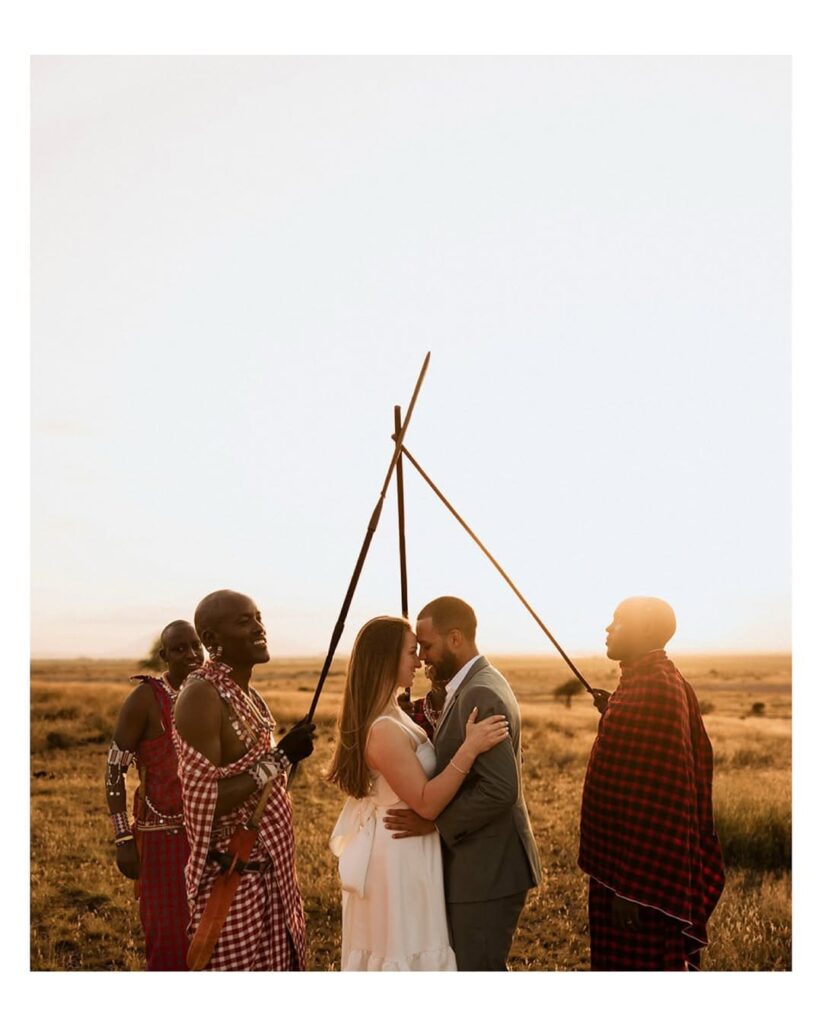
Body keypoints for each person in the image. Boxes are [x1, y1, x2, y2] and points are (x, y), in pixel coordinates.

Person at [327, 616, 509, 971]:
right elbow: (425, 802)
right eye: (412, 652)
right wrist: (468, 749)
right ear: (385, 660)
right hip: (397, 858)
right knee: (402, 949)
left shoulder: (394, 712)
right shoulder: (382, 730)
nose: (419, 660)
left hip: (407, 849)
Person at [383, 596, 541, 971]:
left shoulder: (479, 692)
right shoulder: (473, 682)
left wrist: (435, 824)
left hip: (487, 870)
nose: (422, 657)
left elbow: (501, 789)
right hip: (480, 866)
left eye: (427, 645)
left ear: (455, 639)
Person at [578, 596, 725, 971]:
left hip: (640, 882)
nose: (607, 629)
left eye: (618, 621)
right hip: (621, 871)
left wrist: (633, 890)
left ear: (644, 630)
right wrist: (613, 706)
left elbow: (661, 802)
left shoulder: (657, 690)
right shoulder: (642, 683)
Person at [173, 590, 316, 971]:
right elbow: (205, 800)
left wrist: (290, 757)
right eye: (243, 621)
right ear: (211, 639)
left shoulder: (248, 695)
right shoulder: (202, 696)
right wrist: (281, 757)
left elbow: (264, 792)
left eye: (258, 617)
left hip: (271, 881)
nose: (258, 628)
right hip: (234, 885)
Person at [105, 619, 203, 970]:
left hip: (208, 836)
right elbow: (115, 769)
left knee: (212, 938)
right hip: (161, 837)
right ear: (164, 655)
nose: (191, 654)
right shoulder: (146, 699)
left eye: (196, 646)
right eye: (180, 648)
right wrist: (122, 837)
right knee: (168, 939)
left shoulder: (212, 693)